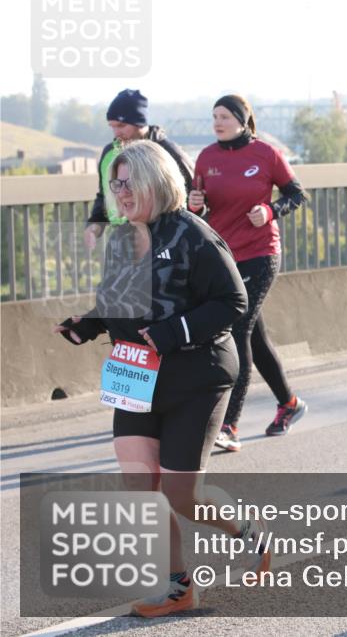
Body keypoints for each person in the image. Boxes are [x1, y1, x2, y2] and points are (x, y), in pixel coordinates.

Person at [53, 141, 270, 618]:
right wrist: (89, 324)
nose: (121, 192)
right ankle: (178, 587)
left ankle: (248, 530)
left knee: (180, 495)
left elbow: (232, 302)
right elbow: (120, 303)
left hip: (198, 372)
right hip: (137, 374)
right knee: (140, 487)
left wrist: (175, 331)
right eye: (115, 182)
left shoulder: (195, 234)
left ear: (157, 180)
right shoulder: (120, 238)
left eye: (129, 182)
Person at [190, 95, 309, 450]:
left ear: (243, 120)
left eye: (224, 116)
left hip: (261, 254)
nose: (217, 122)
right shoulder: (206, 157)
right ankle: (290, 404)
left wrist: (270, 212)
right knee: (254, 334)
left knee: (238, 328)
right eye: (214, 116)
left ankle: (229, 426)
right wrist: (195, 203)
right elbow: (197, 202)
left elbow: (297, 194)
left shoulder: (266, 155)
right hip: (224, 257)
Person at [84, 89, 194, 251]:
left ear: (140, 122)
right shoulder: (109, 152)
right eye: (112, 126)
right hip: (125, 237)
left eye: (121, 125)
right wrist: (95, 225)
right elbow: (105, 194)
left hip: (166, 238)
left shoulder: (167, 152)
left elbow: (195, 193)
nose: (116, 133)